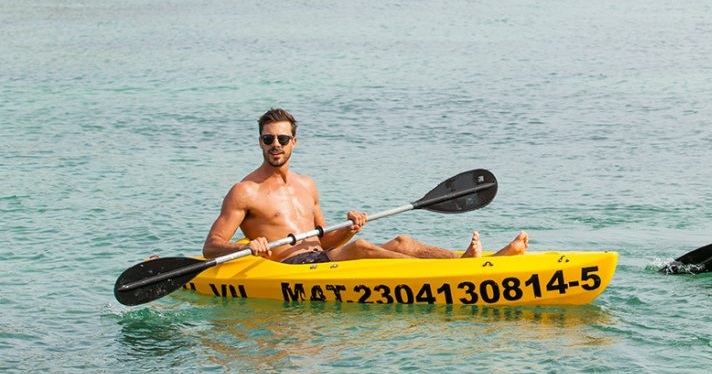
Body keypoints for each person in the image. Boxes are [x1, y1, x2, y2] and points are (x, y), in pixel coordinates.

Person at [203, 108, 528, 264]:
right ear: (260, 142)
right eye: (268, 138)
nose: (276, 144)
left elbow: (325, 238)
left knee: (400, 240)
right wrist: (247, 247)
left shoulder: (306, 185)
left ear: (294, 142)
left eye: (282, 138)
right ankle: (454, 276)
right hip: (290, 267)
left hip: (321, 257)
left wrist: (349, 229)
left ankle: (469, 263)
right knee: (359, 251)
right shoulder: (245, 191)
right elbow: (212, 246)